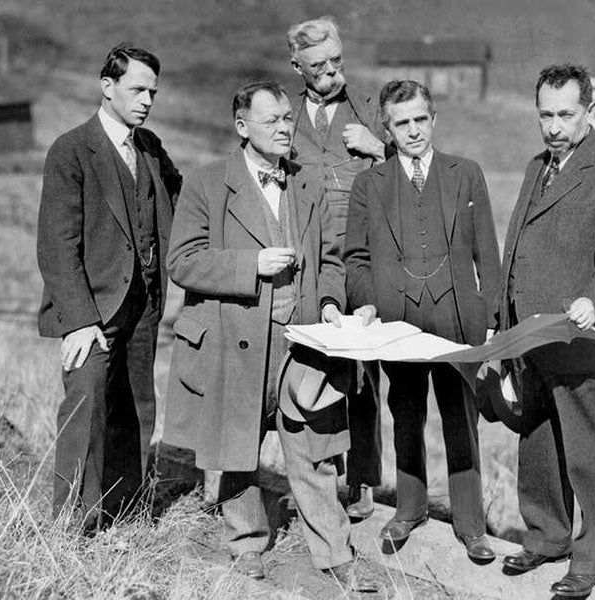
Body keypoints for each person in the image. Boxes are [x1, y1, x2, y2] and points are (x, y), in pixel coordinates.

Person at [163, 81, 378, 592]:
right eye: (272, 120)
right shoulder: (207, 183)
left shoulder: (308, 185)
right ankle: (246, 544)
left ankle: (335, 553)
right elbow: (182, 262)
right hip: (234, 337)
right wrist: (249, 265)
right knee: (239, 446)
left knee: (314, 446)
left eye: (287, 117)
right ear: (242, 127)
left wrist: (328, 303)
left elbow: (330, 260)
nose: (286, 127)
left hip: (301, 341)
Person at [498, 64, 595, 597]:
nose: (554, 126)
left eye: (565, 114)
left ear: (590, 111)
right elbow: (515, 246)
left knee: (588, 452)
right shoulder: (539, 165)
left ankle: (591, 558)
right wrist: (504, 320)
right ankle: (546, 536)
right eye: (545, 114)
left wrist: (593, 300)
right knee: (536, 440)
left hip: (580, 338)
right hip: (532, 337)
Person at [344, 80, 502, 562]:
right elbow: (355, 258)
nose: (413, 130)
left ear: (434, 119)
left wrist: (491, 318)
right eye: (401, 123)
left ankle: (471, 523)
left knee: (460, 418)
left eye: (420, 119)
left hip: (458, 322)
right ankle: (410, 509)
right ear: (387, 130)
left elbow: (487, 255)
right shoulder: (370, 184)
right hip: (398, 324)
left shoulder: (466, 173)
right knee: (406, 414)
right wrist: (370, 304)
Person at [37, 43, 182, 529]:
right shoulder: (72, 149)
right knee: (86, 406)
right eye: (137, 89)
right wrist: (78, 321)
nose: (146, 100)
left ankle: (123, 515)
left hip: (142, 305)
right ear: (107, 87)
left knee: (137, 407)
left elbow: (185, 205)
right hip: (92, 312)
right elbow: (57, 244)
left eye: (153, 92)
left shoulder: (151, 148)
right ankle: (70, 526)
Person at [287, 15, 386, 520]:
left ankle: (364, 480)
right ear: (297, 65)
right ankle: (320, 476)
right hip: (306, 265)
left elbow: (417, 159)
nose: (331, 74)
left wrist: (379, 148)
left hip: (358, 260)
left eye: (337, 62)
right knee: (312, 371)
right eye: (319, 66)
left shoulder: (369, 108)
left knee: (362, 374)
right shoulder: (283, 117)